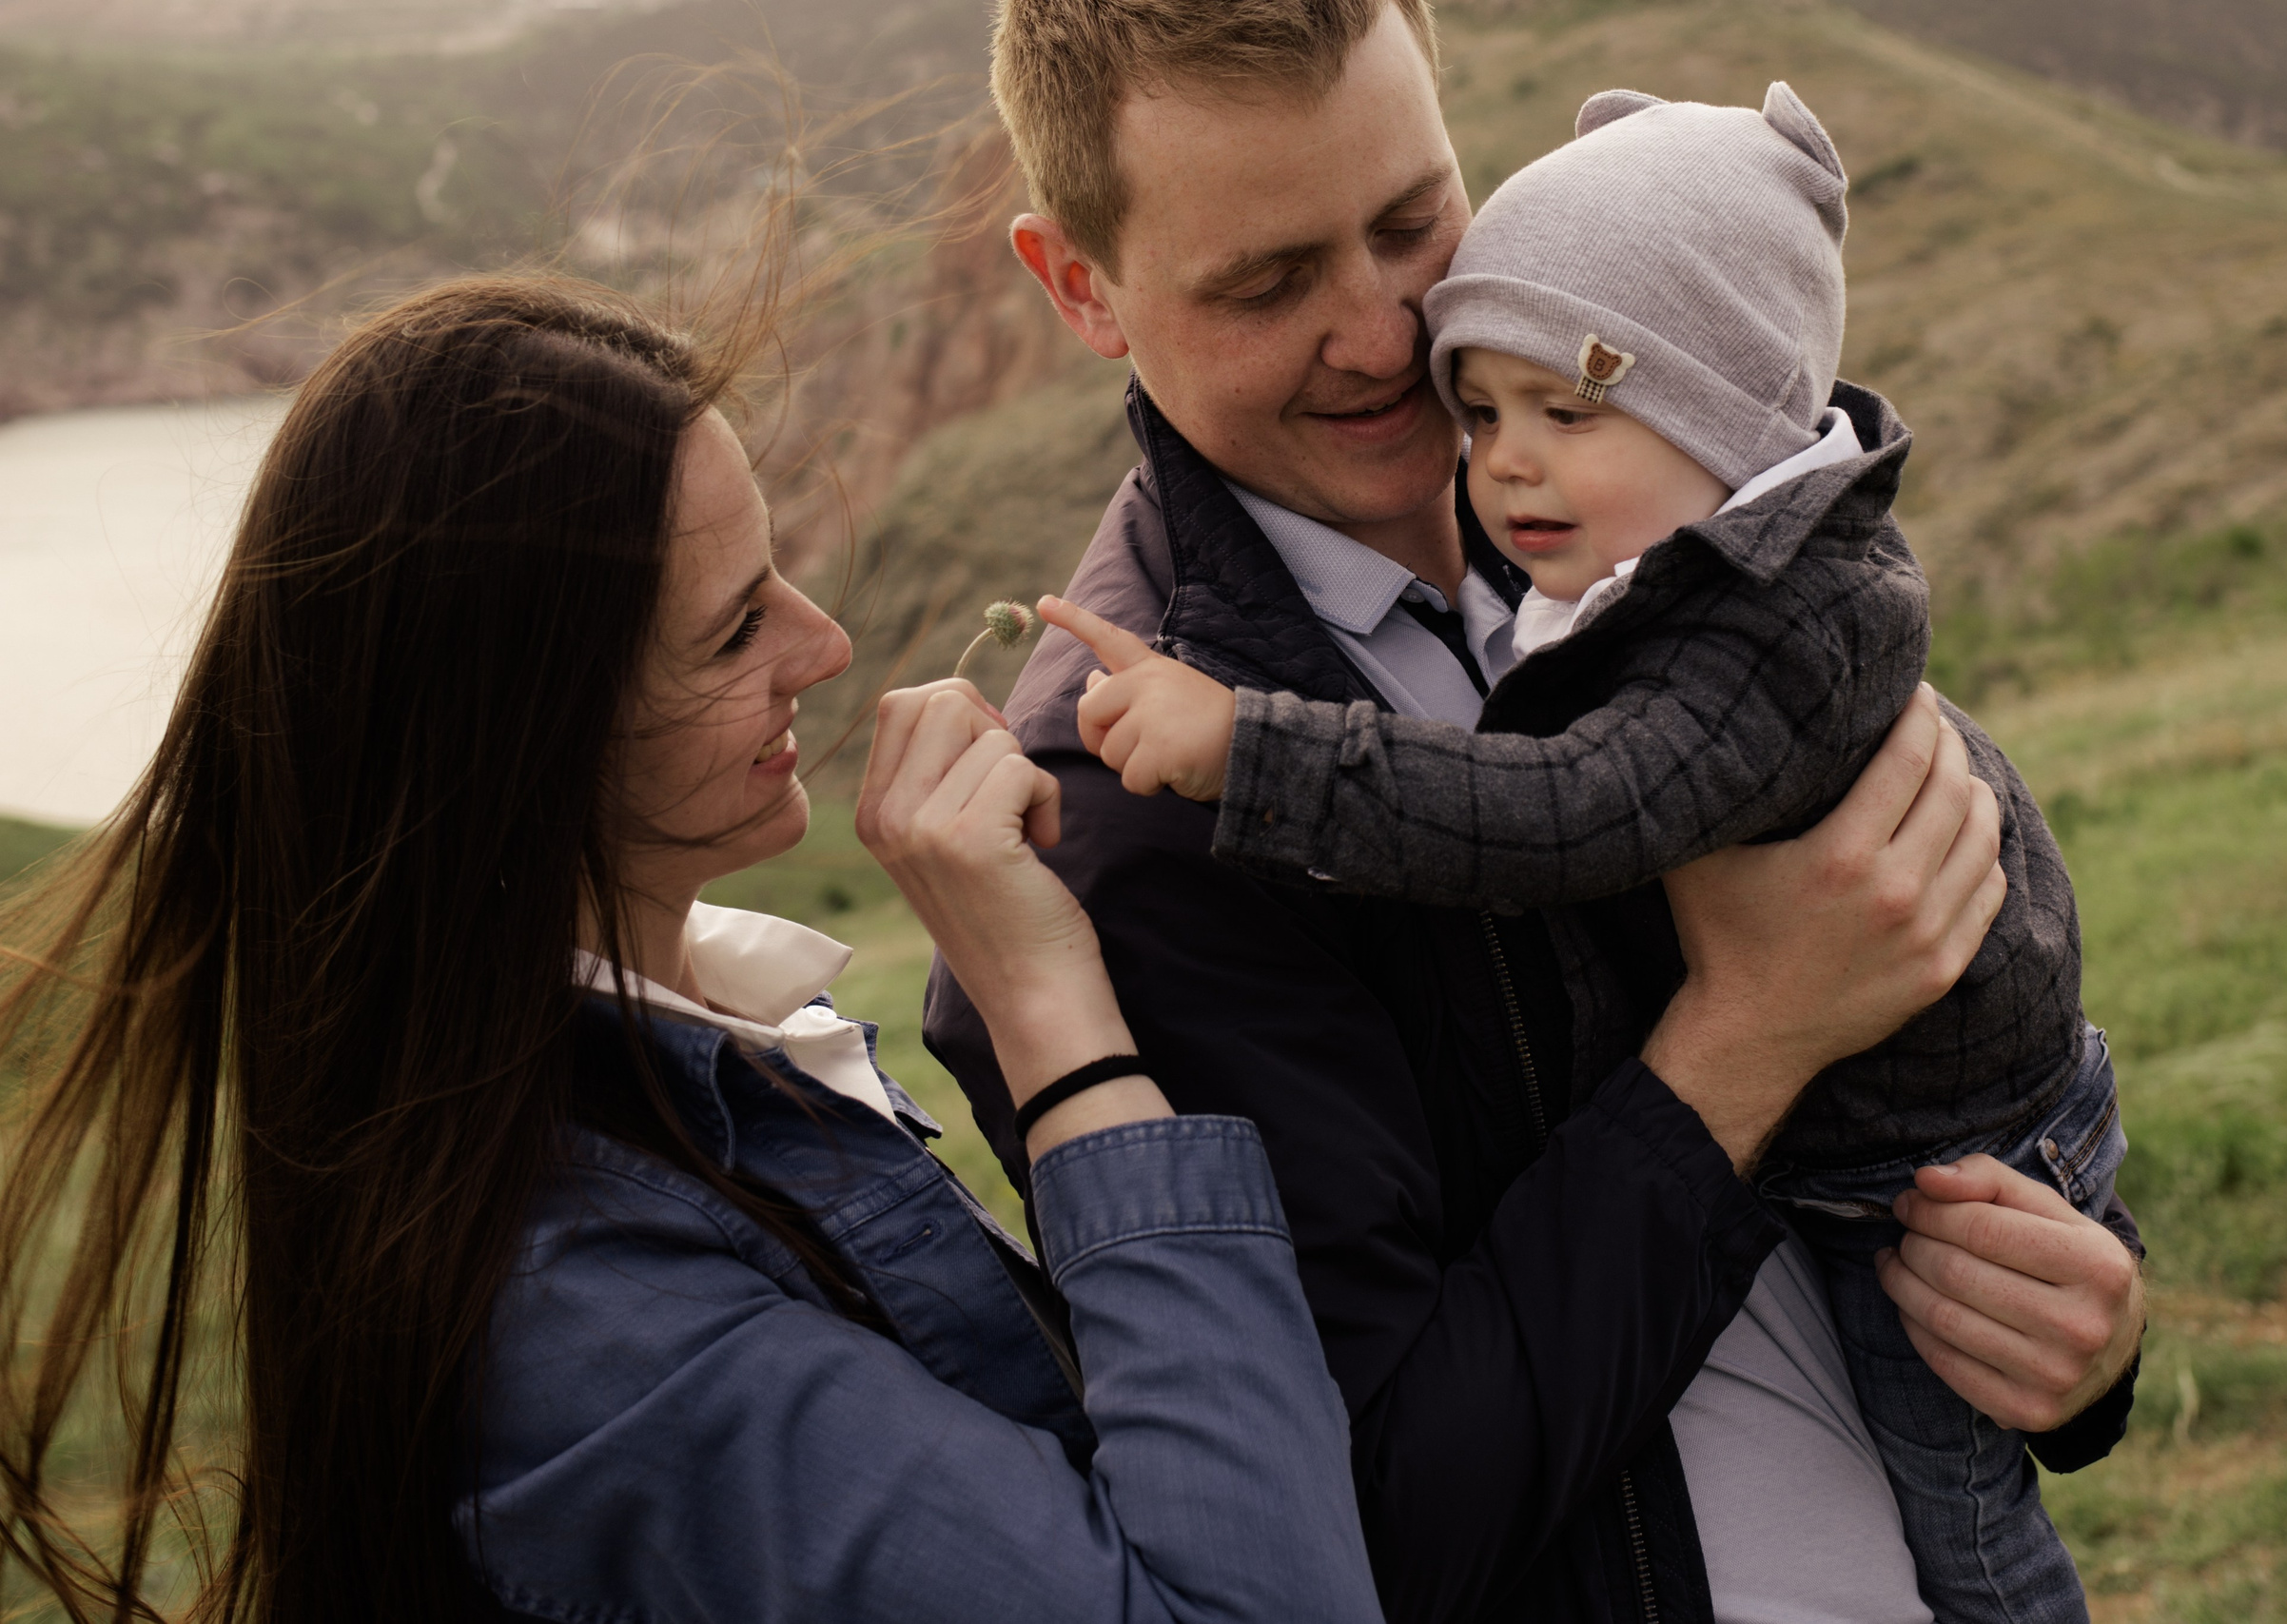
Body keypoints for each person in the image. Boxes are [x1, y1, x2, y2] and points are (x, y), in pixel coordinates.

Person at [928, 4, 2148, 1621]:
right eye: (1270, 282)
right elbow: (1374, 1529)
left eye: (1411, 223)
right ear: (1081, 284)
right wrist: (1747, 1041)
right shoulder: (1129, 830)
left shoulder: (1629, 517)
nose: (1381, 335)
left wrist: (2076, 1303)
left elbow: (1946, 995)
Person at [0, 276, 1393, 1623]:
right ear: (523, 744)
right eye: (736, 630)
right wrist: (1053, 1022)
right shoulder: (598, 1336)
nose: (826, 643)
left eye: (777, 573)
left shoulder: (697, 1063)